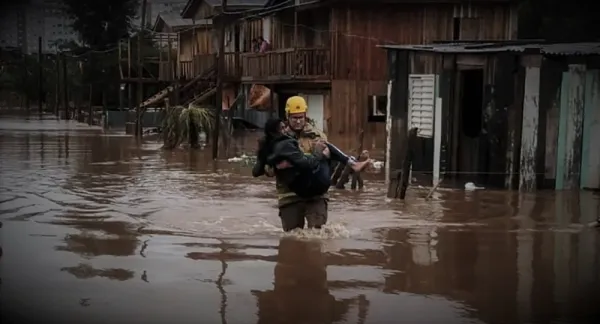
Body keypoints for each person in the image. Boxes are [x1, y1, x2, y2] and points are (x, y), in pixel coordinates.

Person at [253, 96, 368, 232]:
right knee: (292, 237)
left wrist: (318, 157)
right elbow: (266, 167)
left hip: (316, 192)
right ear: (287, 116)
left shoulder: (317, 135)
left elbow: (323, 160)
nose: (298, 121)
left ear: (305, 116)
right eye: (294, 118)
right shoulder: (277, 138)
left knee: (317, 235)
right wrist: (274, 167)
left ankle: (352, 163)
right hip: (289, 194)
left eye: (301, 117)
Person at [254, 118, 368, 198]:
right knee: (324, 147)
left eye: (300, 117)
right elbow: (307, 163)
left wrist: (271, 164)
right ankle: (352, 163)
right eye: (282, 128)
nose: (285, 130)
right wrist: (319, 153)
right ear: (275, 131)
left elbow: (256, 172)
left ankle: (351, 162)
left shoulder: (267, 145)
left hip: (295, 183)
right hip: (301, 184)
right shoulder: (285, 143)